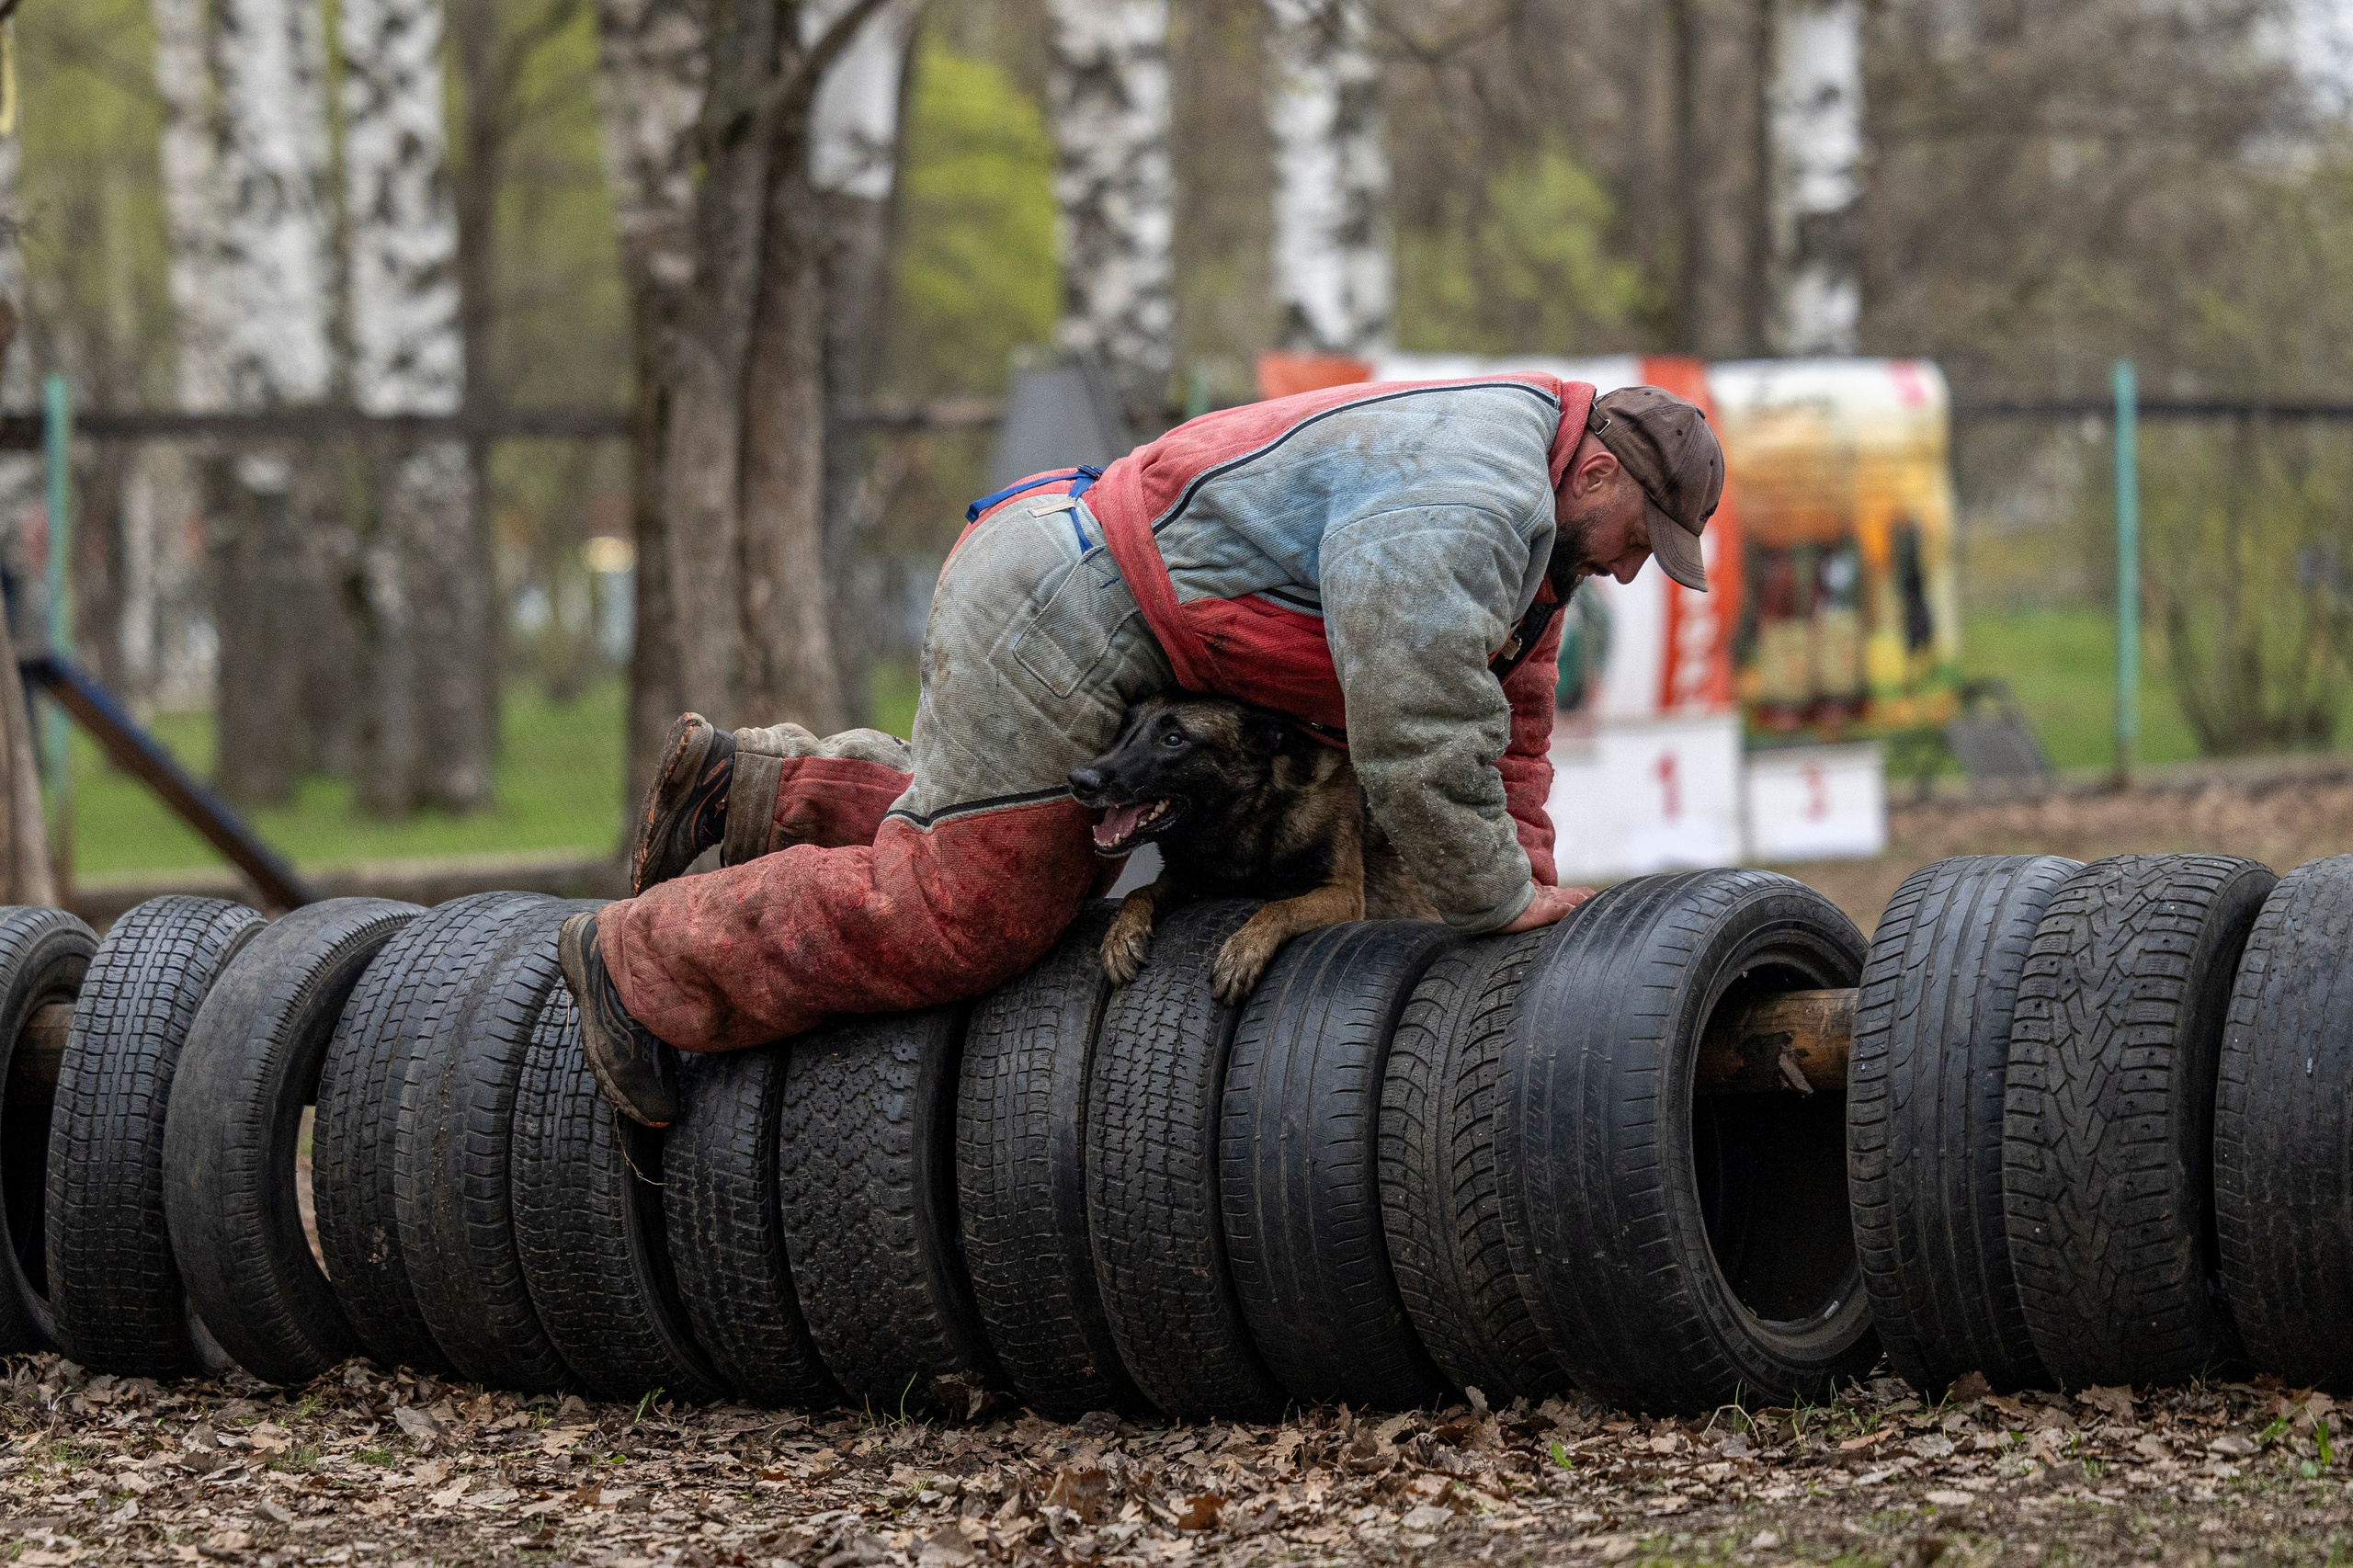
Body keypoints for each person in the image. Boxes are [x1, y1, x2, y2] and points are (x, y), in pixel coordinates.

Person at [557, 377, 1725, 1126]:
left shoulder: (1538, 532)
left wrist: (1525, 933)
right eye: (1643, 541)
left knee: (1041, 827)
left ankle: (756, 787)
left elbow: (1509, 736)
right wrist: (1489, 898)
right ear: (1599, 473)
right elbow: (1415, 726)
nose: (1635, 570)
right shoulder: (1473, 500)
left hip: (1110, 606)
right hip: (1068, 607)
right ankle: (642, 961)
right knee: (971, 910)